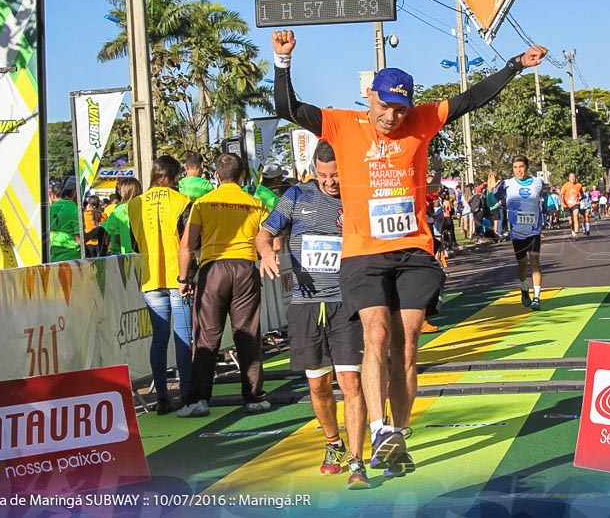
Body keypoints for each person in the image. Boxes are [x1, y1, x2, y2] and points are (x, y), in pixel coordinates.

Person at [273, 27, 546, 474]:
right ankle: (379, 428)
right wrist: (283, 62)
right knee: (376, 336)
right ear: (369, 96)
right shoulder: (342, 123)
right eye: (384, 107)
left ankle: (397, 435)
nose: (392, 117)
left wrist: (515, 65)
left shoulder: (423, 119)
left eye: (400, 109)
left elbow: (472, 98)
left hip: (415, 251)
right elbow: (286, 107)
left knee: (407, 347)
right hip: (364, 253)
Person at [256, 140, 369, 489]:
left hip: (344, 303)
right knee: (319, 385)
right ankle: (333, 444)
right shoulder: (295, 196)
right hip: (305, 305)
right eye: (323, 175)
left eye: (335, 175)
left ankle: (357, 459)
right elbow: (264, 233)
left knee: (350, 382)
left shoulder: (356, 197)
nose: (329, 182)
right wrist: (265, 253)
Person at [176, 152, 271, 417]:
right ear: (242, 176)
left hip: (212, 270)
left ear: (216, 176)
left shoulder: (203, 203)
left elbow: (187, 245)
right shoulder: (255, 203)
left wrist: (183, 279)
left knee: (206, 336)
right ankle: (254, 396)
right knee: (248, 334)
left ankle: (198, 400)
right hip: (244, 267)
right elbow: (267, 239)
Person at [128, 156, 194, 414]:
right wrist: (186, 277)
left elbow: (135, 244)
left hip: (150, 277)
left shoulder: (134, 205)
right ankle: (188, 393)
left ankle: (163, 396)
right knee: (183, 336)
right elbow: (189, 243)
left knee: (160, 338)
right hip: (178, 277)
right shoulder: (182, 202)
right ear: (174, 176)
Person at [496, 156, 545, 310]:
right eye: (515, 167)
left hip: (534, 230)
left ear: (527, 167)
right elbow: (493, 199)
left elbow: (544, 198)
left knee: (535, 262)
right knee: (522, 265)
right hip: (517, 232)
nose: (519, 170)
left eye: (521, 166)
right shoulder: (507, 184)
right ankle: (524, 289)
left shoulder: (538, 182)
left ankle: (537, 298)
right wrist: (492, 190)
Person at [101, 177, 141, 255]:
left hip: (128, 254)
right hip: (146, 252)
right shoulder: (144, 206)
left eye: (121, 190)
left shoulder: (121, 209)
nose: (120, 192)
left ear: (126, 191)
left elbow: (105, 229)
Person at [48, 177, 82, 262]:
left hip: (53, 258)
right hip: (72, 259)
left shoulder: (49, 209)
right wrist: (95, 231)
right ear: (74, 191)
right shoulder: (73, 207)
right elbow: (79, 240)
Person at [560, 172, 583, 239]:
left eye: (574, 177)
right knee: (570, 221)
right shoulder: (565, 185)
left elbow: (582, 194)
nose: (573, 179)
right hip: (567, 205)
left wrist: (580, 199)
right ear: (569, 178)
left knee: (575, 217)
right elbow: (560, 195)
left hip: (575, 204)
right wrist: (562, 202)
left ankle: (576, 234)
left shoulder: (579, 185)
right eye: (571, 177)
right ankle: (572, 229)